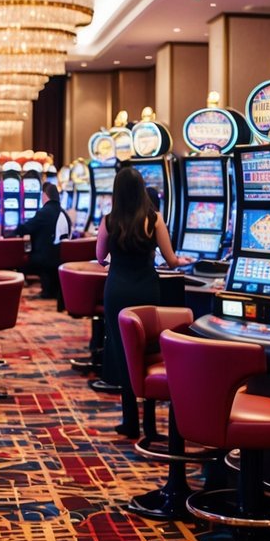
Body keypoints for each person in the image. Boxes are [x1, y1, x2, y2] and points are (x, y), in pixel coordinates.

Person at [96, 164, 191, 438]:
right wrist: (187, 261)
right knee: (146, 351)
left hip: (117, 291)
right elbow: (171, 260)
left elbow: (100, 256)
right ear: (141, 191)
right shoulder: (155, 218)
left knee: (123, 352)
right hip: (146, 291)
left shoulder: (109, 221)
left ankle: (130, 422)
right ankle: (150, 424)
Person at [14, 182, 70, 297]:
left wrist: (11, 232)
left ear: (44, 195)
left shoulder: (45, 212)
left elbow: (25, 228)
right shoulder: (63, 212)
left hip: (47, 258)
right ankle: (51, 290)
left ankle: (45, 292)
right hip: (60, 255)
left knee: (19, 260)